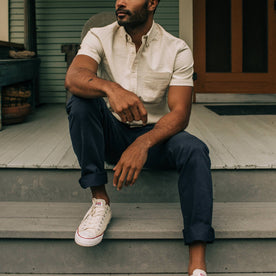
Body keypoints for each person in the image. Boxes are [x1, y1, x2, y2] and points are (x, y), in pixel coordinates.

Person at [65, 0, 215, 275]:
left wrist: (143, 143)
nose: (120, 1)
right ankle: (100, 200)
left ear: (152, 3)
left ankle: (197, 262)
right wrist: (111, 89)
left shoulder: (176, 48)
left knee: (195, 150)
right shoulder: (99, 35)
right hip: (111, 135)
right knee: (80, 101)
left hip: (156, 139)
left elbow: (180, 113)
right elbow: (74, 77)